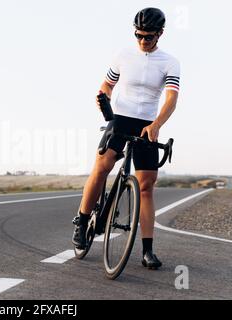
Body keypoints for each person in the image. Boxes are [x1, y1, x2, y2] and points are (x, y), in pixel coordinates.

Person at [72, 7, 180, 269]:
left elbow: (171, 98)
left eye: (149, 37)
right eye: (139, 35)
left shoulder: (169, 62)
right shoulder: (123, 55)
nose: (143, 41)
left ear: (160, 34)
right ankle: (83, 220)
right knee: (103, 165)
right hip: (120, 117)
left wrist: (157, 124)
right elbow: (107, 85)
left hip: (147, 124)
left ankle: (147, 251)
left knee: (146, 185)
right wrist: (103, 99)